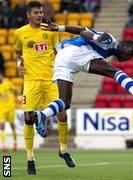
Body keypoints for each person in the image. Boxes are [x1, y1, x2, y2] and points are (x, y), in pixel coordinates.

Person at [31, 20, 133, 137]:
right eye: (128, 53)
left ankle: (41, 115)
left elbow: (80, 29)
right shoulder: (110, 41)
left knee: (64, 102)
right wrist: (96, 37)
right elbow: (83, 32)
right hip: (75, 52)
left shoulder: (109, 49)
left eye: (130, 56)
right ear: (122, 46)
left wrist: (59, 28)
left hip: (61, 58)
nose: (127, 58)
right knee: (116, 73)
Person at [13, 1, 75, 175]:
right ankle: (30, 158)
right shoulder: (20, 33)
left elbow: (58, 53)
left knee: (62, 113)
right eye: (36, 13)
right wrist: (19, 63)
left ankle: (63, 150)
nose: (40, 15)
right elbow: (18, 53)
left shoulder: (50, 30)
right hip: (31, 82)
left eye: (41, 12)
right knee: (28, 118)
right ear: (28, 15)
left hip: (50, 80)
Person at [0, 72, 18, 152]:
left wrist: (16, 97)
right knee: (2, 125)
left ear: (2, 76)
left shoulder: (8, 83)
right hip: (2, 109)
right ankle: (4, 145)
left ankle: (15, 143)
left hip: (11, 108)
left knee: (12, 125)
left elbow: (15, 91)